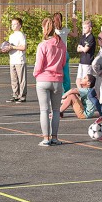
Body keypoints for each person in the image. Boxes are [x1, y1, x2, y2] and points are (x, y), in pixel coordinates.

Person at [33, 17, 68, 146]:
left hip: (43, 79)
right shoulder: (62, 45)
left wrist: (36, 74)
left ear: (44, 29)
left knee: (44, 110)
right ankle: (54, 137)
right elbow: (64, 62)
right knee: (56, 111)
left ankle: (46, 138)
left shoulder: (43, 45)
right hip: (57, 79)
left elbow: (39, 64)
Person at [3, 16, 28, 103]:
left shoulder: (21, 35)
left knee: (22, 79)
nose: (13, 25)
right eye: (12, 24)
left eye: (15, 24)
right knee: (14, 79)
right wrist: (6, 49)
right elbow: (10, 47)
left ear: (20, 25)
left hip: (19, 60)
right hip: (12, 60)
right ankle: (15, 95)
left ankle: (22, 96)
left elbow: (24, 47)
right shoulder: (11, 36)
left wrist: (12, 47)